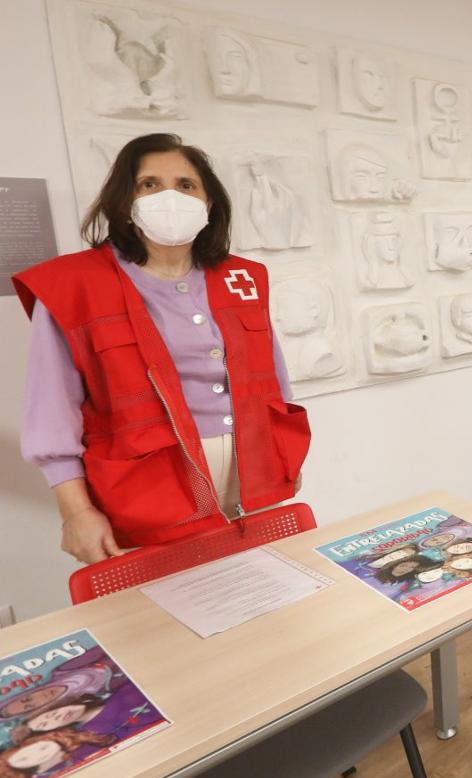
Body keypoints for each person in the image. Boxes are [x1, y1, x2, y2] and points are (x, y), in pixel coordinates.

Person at [13, 133, 311, 565]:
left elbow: (273, 382)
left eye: (186, 185)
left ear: (209, 203)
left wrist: (286, 456)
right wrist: (76, 511)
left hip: (257, 479)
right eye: (149, 184)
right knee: (176, 614)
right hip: (146, 490)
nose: (169, 196)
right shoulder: (73, 286)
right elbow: (52, 411)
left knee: (263, 594)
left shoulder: (240, 278)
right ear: (124, 201)